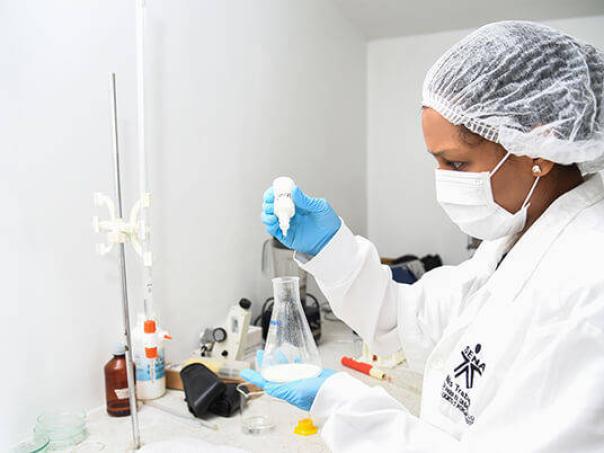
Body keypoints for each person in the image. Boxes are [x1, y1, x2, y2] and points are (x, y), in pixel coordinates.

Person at [241, 21, 604, 452]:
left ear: (539, 149)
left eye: (456, 164)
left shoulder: (586, 290)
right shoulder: (518, 232)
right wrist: (329, 247)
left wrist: (339, 404)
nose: (443, 180)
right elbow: (414, 317)